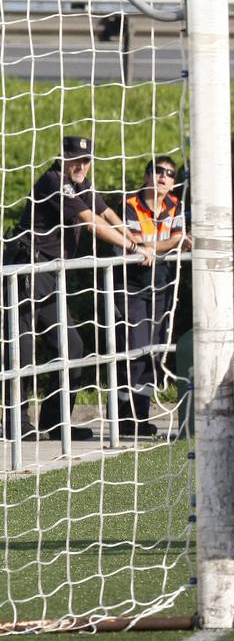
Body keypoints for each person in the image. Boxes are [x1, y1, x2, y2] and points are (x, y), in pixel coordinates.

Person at [3, 135, 153, 441]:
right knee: (23, 349)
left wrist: (137, 240)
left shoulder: (80, 182)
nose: (82, 166)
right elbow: (91, 223)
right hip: (28, 268)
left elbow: (106, 213)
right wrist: (132, 246)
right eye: (76, 160)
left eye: (86, 161)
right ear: (63, 158)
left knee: (72, 348)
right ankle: (16, 421)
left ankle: (54, 421)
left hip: (51, 274)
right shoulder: (54, 180)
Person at [115, 156, 191, 438]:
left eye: (169, 174)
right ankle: (124, 416)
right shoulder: (129, 205)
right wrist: (169, 243)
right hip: (131, 285)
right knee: (134, 349)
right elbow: (137, 245)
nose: (163, 177)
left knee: (154, 351)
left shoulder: (175, 205)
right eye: (158, 171)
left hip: (161, 284)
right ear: (147, 175)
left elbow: (178, 239)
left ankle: (141, 416)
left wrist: (160, 245)